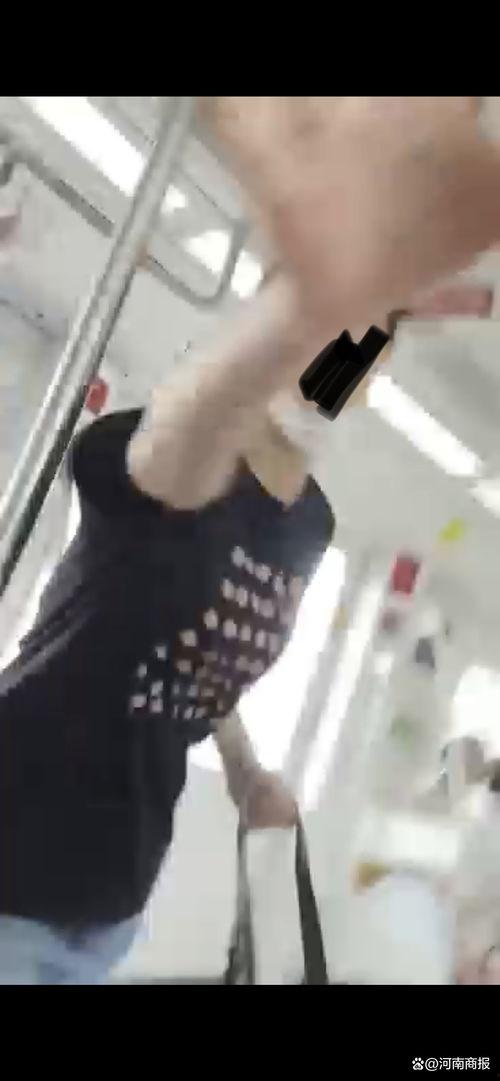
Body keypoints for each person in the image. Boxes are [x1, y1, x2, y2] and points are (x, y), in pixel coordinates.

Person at [2, 96, 500, 984]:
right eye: (335, 339)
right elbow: (199, 425)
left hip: (110, 904)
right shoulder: (168, 455)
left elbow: (194, 656)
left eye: (364, 353)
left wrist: (242, 766)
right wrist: (311, 304)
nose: (347, 365)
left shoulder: (306, 522)